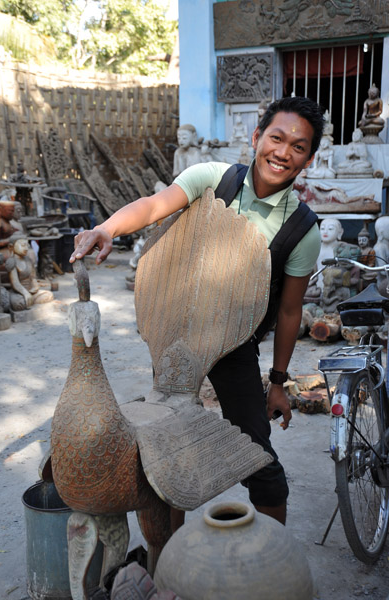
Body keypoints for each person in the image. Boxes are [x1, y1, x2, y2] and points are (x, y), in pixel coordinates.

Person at [70, 96, 324, 527]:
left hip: (234, 345)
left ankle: (273, 567)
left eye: (298, 147)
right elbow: (154, 206)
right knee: (164, 447)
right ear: (256, 136)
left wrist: (278, 382)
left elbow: (289, 311)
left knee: (260, 463)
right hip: (175, 336)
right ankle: (166, 560)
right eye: (276, 138)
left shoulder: (302, 229)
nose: (283, 153)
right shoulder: (212, 178)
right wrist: (106, 227)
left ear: (309, 159)